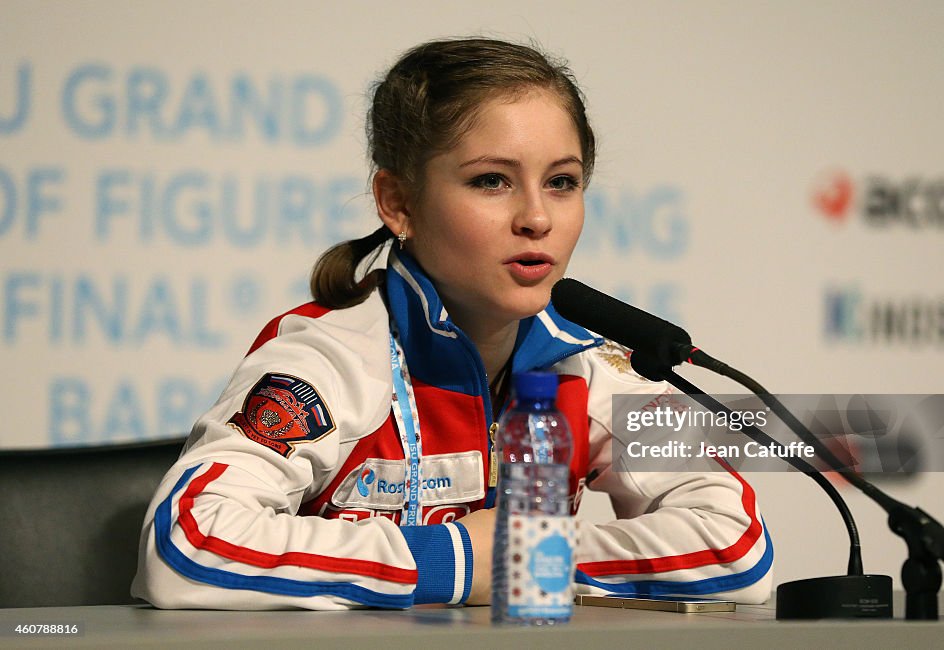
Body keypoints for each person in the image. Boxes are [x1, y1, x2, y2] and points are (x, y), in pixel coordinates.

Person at [132, 37, 772, 610]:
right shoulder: (331, 360)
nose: (536, 218)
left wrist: (532, 562)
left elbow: (737, 549)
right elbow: (185, 545)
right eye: (492, 181)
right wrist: (454, 564)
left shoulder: (594, 365)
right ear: (399, 203)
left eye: (562, 182)